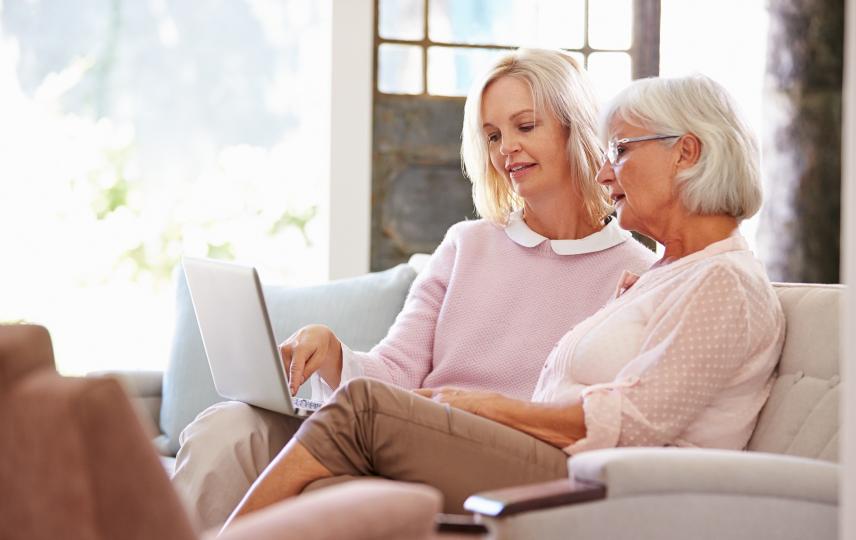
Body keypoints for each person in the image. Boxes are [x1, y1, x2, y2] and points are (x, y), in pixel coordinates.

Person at [221, 74, 787, 528]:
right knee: (328, 484)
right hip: (565, 464)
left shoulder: (725, 282)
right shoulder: (671, 274)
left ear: (685, 152)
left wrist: (484, 406)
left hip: (606, 489)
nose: (607, 170)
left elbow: (634, 423)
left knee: (365, 409)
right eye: (492, 135)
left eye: (621, 150)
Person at [171, 48, 656, 530]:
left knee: (331, 484)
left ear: (576, 127)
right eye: (492, 135)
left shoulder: (637, 274)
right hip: (396, 432)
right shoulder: (467, 244)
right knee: (227, 427)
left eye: (524, 126)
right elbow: (397, 370)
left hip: (491, 460)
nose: (505, 147)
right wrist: (334, 355)